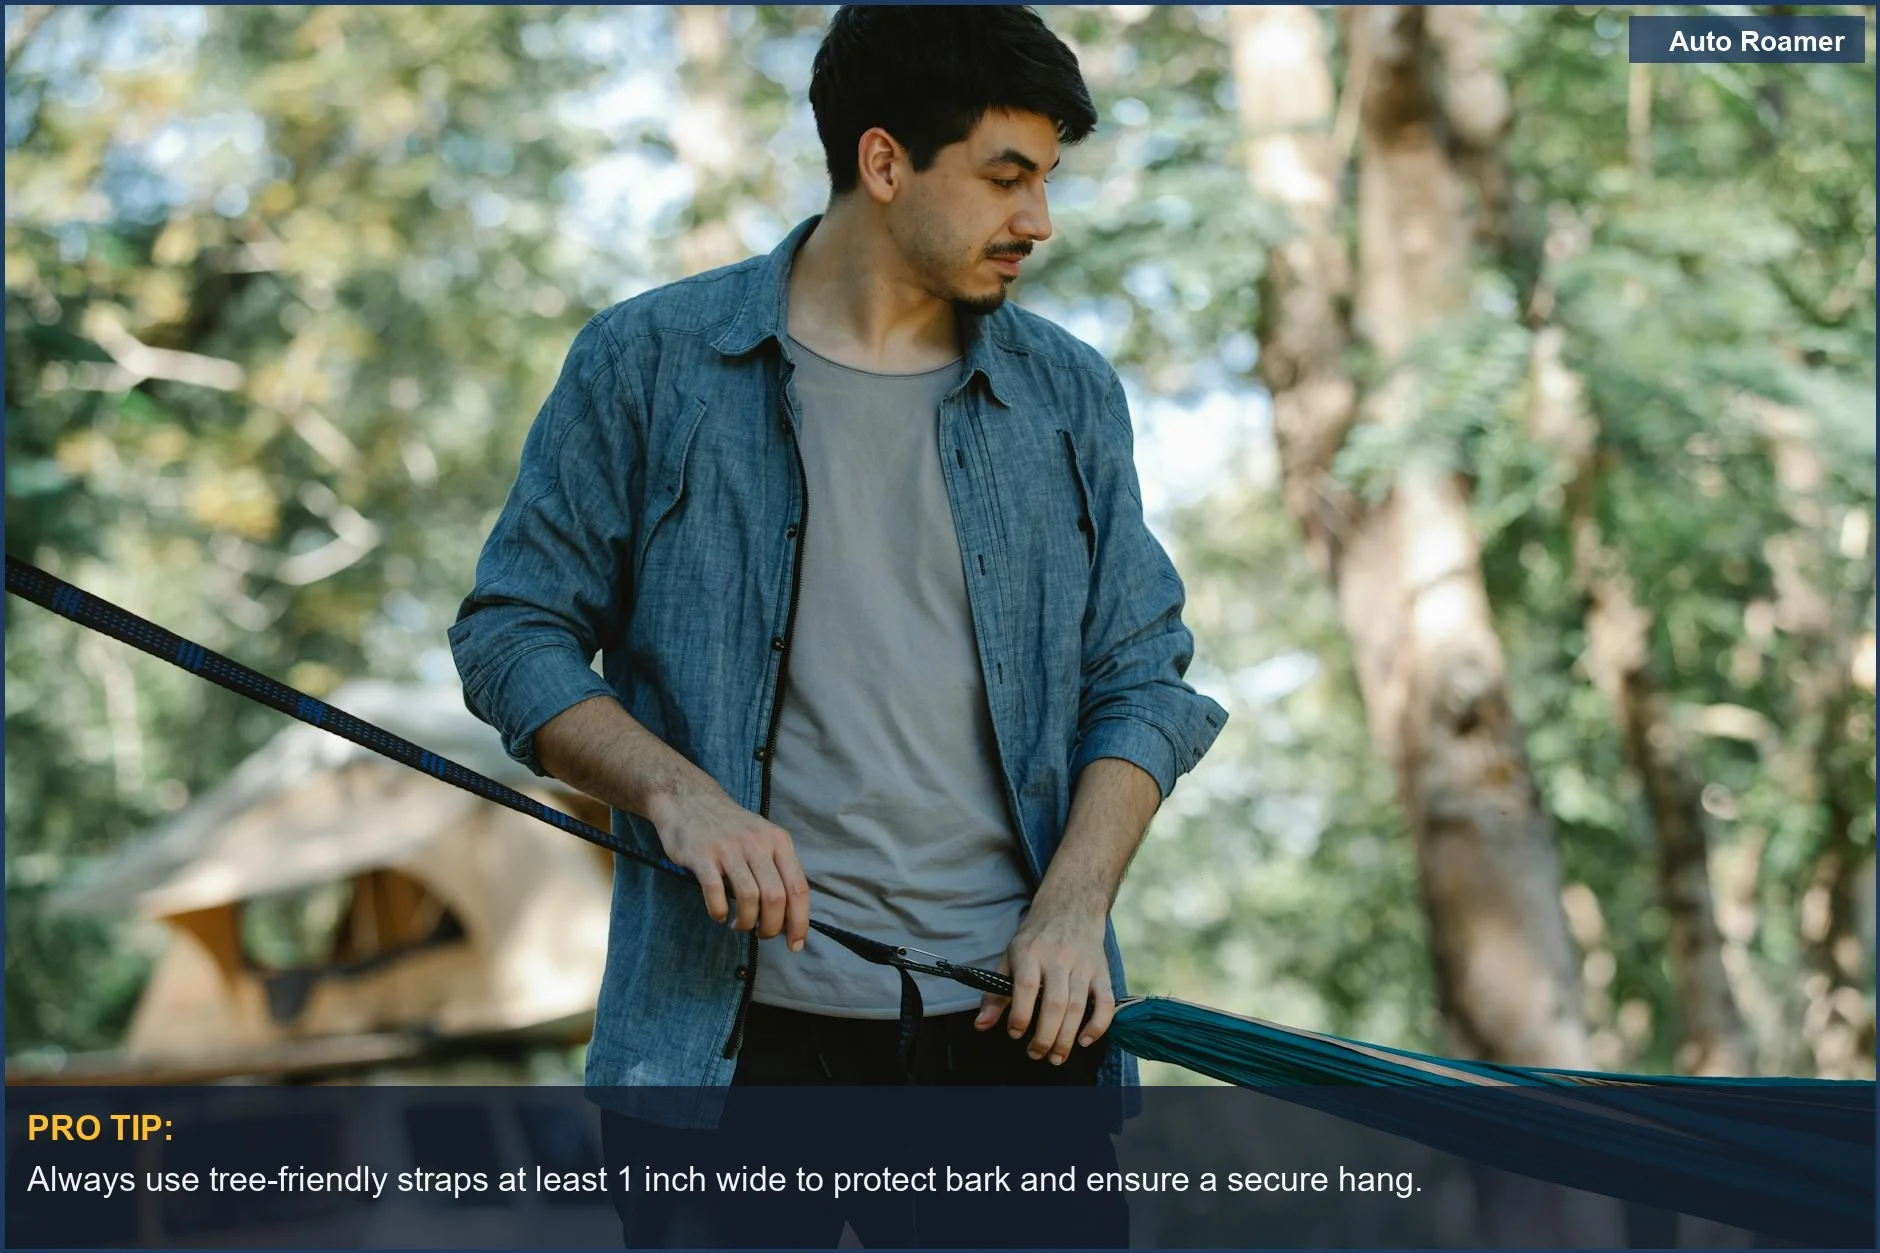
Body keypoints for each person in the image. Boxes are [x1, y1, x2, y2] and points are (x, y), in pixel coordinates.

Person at [450, 6, 1225, 1245]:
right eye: (1004, 177)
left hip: (1013, 1038)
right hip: (720, 1055)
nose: (1038, 220)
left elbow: (1142, 677)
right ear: (881, 162)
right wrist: (678, 795)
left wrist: (1075, 904)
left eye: (1047, 180)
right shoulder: (648, 362)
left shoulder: (1065, 392)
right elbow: (511, 632)